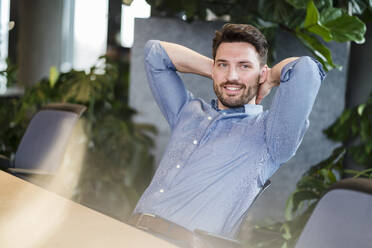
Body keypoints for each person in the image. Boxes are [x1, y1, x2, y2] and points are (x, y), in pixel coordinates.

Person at [128, 23, 325, 247]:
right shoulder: (188, 112)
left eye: (244, 66)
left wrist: (270, 78)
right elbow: (155, 53)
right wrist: (219, 72)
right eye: (223, 64)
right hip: (129, 232)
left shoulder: (270, 136)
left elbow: (306, 70)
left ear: (261, 73)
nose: (232, 75)